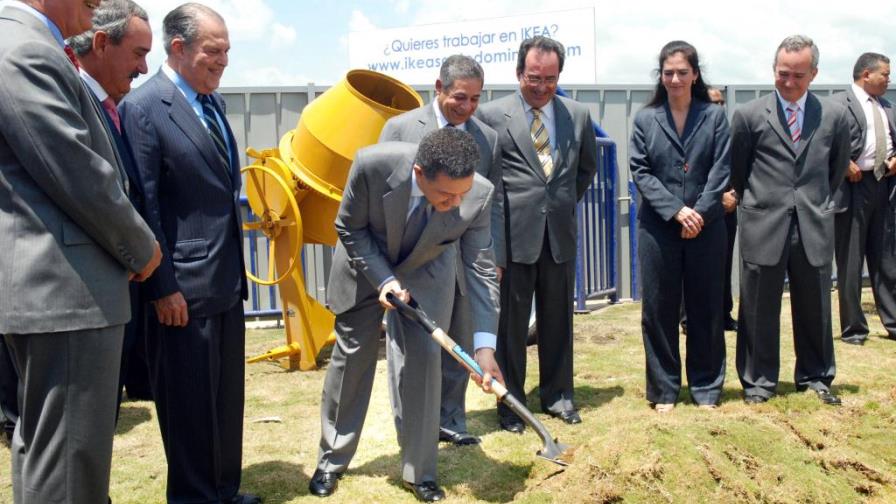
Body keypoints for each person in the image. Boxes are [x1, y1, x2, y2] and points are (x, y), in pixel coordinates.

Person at [0, 0, 161, 502]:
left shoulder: (30, 43)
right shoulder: (26, 48)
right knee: (71, 467)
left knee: (48, 454)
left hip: (56, 290)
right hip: (66, 290)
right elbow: (79, 172)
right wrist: (143, 250)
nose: (96, 5)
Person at [309, 128, 502, 502]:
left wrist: (484, 349)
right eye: (446, 195)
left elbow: (480, 267)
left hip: (426, 266)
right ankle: (331, 460)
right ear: (418, 173)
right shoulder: (371, 165)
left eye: (462, 194)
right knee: (352, 359)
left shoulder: (478, 193)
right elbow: (349, 225)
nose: (456, 202)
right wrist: (384, 279)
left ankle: (420, 471)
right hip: (365, 263)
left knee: (425, 361)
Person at [119, 4, 255, 503]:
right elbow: (145, 204)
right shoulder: (145, 107)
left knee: (224, 401)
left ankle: (224, 487)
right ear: (178, 48)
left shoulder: (211, 102)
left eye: (226, 53)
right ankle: (196, 495)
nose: (222, 63)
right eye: (212, 52)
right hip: (180, 290)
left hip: (224, 282)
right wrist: (162, 288)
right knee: (189, 406)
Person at [378, 54, 503, 447]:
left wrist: (491, 258)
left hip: (463, 257)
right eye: (459, 98)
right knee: (415, 353)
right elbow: (382, 199)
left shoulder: (488, 138)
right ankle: (414, 430)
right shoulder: (400, 129)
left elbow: (489, 201)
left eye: (475, 100)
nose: (466, 108)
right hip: (412, 262)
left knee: (459, 340)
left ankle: (451, 420)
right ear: (438, 88)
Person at [477, 36, 597, 432]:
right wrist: (493, 245)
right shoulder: (493, 116)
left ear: (559, 75)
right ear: (518, 74)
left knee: (558, 320)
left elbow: (585, 171)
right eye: (533, 78)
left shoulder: (576, 115)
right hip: (513, 240)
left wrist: (558, 206)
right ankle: (511, 404)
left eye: (550, 78)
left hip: (558, 236)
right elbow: (486, 183)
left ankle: (559, 396)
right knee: (510, 328)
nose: (541, 86)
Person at [731, 34, 851, 406]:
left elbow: (836, 171)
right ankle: (758, 382)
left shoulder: (834, 116)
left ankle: (815, 376)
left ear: (813, 73)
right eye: (783, 73)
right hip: (763, 223)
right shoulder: (749, 115)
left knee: (815, 303)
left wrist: (813, 204)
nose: (789, 82)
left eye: (798, 75)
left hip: (813, 222)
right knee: (757, 306)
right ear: (774, 70)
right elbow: (739, 172)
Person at [630, 41, 731, 412]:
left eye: (682, 72)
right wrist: (676, 211)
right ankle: (664, 389)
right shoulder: (645, 118)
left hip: (707, 226)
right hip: (658, 228)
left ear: (695, 75)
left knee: (706, 307)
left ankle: (706, 387)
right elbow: (641, 171)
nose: (675, 78)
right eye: (668, 72)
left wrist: (699, 213)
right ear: (661, 75)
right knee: (659, 308)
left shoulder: (715, 116)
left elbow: (721, 169)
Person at [68, 0, 153, 420]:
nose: (143, 69)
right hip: (78, 303)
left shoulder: (114, 109)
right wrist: (145, 251)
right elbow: (92, 191)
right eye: (138, 54)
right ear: (102, 43)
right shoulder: (73, 99)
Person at [831, 53, 896, 345]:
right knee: (851, 260)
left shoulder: (888, 107)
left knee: (886, 259)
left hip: (884, 185)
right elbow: (820, 145)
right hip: (852, 187)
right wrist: (843, 163)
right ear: (866, 74)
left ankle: (893, 322)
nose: (889, 79)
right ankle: (854, 329)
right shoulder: (836, 104)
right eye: (885, 73)